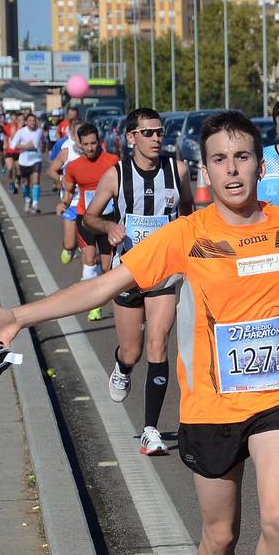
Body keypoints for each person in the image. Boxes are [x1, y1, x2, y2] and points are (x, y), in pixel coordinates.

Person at [0, 110, 279, 555]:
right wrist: (20, 317)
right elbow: (102, 287)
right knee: (220, 536)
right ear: (203, 170)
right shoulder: (186, 234)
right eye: (220, 160)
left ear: (261, 164)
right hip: (211, 405)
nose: (233, 170)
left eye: (242, 157)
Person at [85, 107, 192, 455]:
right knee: (133, 350)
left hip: (164, 273)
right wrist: (109, 227)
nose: (156, 138)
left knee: (158, 343)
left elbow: (188, 212)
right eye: (148, 133)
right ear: (131, 138)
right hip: (128, 272)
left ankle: (150, 430)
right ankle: (122, 366)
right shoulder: (115, 175)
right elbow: (89, 217)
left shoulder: (178, 171)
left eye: (160, 132)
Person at [58, 124, 120, 322]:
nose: (90, 148)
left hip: (108, 220)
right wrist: (63, 204)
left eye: (93, 143)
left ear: (99, 142)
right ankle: (94, 306)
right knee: (89, 257)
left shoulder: (112, 161)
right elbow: (69, 192)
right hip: (85, 219)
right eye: (86, 144)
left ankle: (99, 287)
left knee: (107, 267)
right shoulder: (74, 167)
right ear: (80, 144)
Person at [48, 126, 86, 266]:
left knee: (88, 251)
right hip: (70, 202)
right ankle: (71, 247)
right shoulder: (66, 150)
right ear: (73, 135)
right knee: (69, 244)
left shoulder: (93, 150)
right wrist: (61, 179)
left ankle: (88, 269)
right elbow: (51, 170)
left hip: (88, 203)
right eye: (78, 133)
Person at [11, 113, 46, 213]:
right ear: (26, 122)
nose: (32, 123)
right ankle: (27, 199)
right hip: (24, 161)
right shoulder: (21, 132)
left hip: (36, 160)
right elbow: (13, 145)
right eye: (30, 121)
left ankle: (35, 204)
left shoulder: (39, 131)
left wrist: (43, 147)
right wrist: (26, 146)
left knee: (36, 180)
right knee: (25, 183)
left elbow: (44, 141)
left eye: (34, 120)